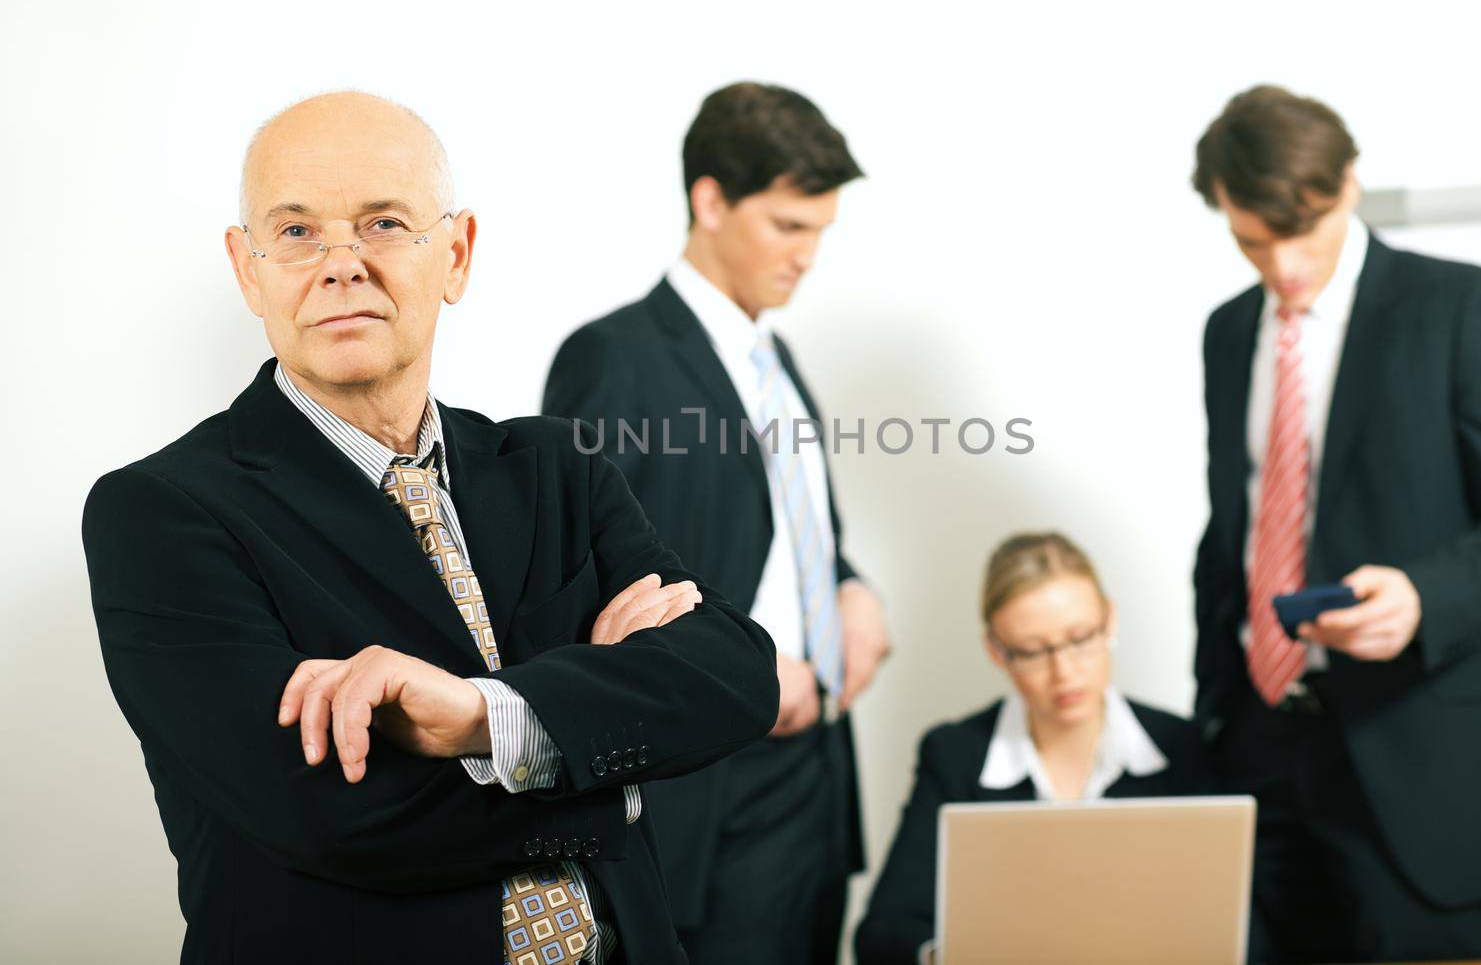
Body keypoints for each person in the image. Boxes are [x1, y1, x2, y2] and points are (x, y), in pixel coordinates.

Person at [81, 91, 779, 965]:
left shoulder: (557, 466)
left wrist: (484, 717)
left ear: (456, 253)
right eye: (296, 232)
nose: (342, 265)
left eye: (382, 223)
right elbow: (326, 811)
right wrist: (610, 768)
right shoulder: (161, 514)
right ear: (247, 268)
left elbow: (738, 675)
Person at [1190, 85, 1481, 963]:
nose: (1286, 267)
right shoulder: (1227, 333)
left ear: (1351, 185)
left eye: (1305, 231)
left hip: (1416, 746)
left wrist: (1423, 594)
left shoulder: (1457, 306)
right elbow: (1239, 525)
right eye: (1254, 241)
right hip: (1260, 746)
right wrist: (1213, 708)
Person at [542, 81, 890, 964]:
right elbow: (581, 584)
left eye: (820, 230)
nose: (808, 255)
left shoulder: (776, 358)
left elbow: (800, 533)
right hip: (708, 793)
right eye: (787, 226)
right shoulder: (612, 358)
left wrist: (852, 589)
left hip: (815, 783)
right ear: (709, 200)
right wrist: (734, 665)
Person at [853, 531, 1210, 965]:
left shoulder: (1182, 746)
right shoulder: (956, 755)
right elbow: (884, 932)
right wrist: (949, 955)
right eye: (1032, 652)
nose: (1063, 672)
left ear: (1109, 620)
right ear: (996, 651)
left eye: (1081, 638)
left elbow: (1239, 923)